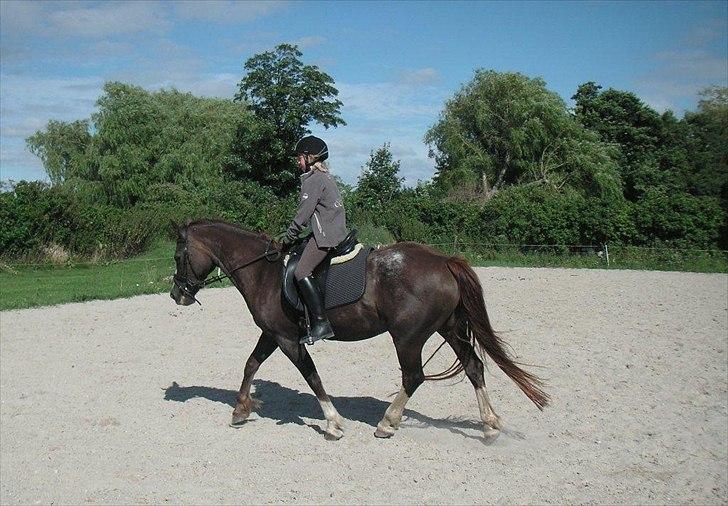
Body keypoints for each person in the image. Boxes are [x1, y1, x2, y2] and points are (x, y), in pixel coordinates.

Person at [278, 136, 348, 344]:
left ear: (309, 158)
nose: (298, 162)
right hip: (331, 231)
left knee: (301, 271)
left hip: (326, 236)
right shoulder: (325, 177)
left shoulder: (314, 179)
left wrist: (287, 236)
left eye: (300, 157)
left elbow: (303, 214)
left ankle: (321, 323)